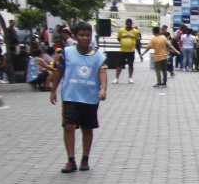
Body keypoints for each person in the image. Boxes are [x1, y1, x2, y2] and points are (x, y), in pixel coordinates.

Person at [49, 22, 107, 173]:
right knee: (69, 127)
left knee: (87, 128)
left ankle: (85, 158)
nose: (85, 38)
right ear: (75, 37)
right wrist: (53, 90)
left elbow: (102, 72)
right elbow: (59, 71)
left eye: (88, 35)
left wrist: (103, 89)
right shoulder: (67, 52)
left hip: (89, 97)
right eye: (81, 35)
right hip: (70, 96)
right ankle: (70, 159)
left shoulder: (98, 55)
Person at [114, 19, 140, 84]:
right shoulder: (121, 30)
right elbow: (118, 38)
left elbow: (138, 39)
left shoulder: (135, 31)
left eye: (129, 23)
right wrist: (123, 43)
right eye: (127, 23)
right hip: (123, 50)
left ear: (131, 23)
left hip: (131, 51)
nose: (128, 24)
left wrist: (133, 44)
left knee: (131, 64)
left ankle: (130, 78)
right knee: (119, 64)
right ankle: (116, 78)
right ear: (125, 23)